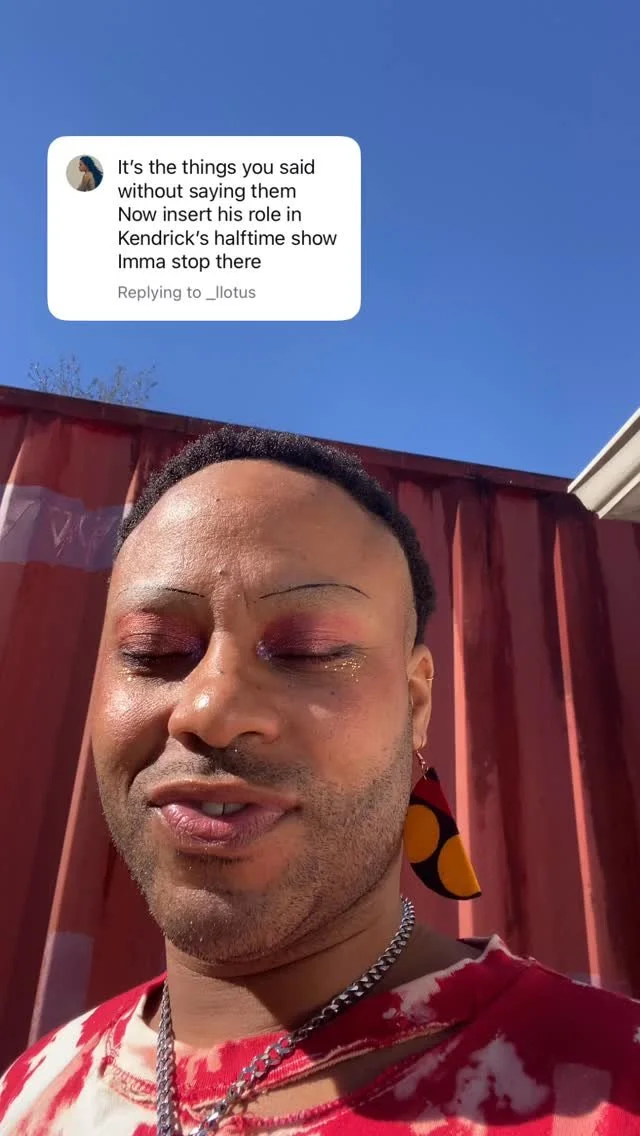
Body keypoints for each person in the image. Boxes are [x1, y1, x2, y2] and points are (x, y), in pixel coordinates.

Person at [1, 426, 638, 1135]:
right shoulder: (27, 1092)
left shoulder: (612, 1084)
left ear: (415, 704)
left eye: (308, 651)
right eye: (153, 650)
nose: (210, 709)